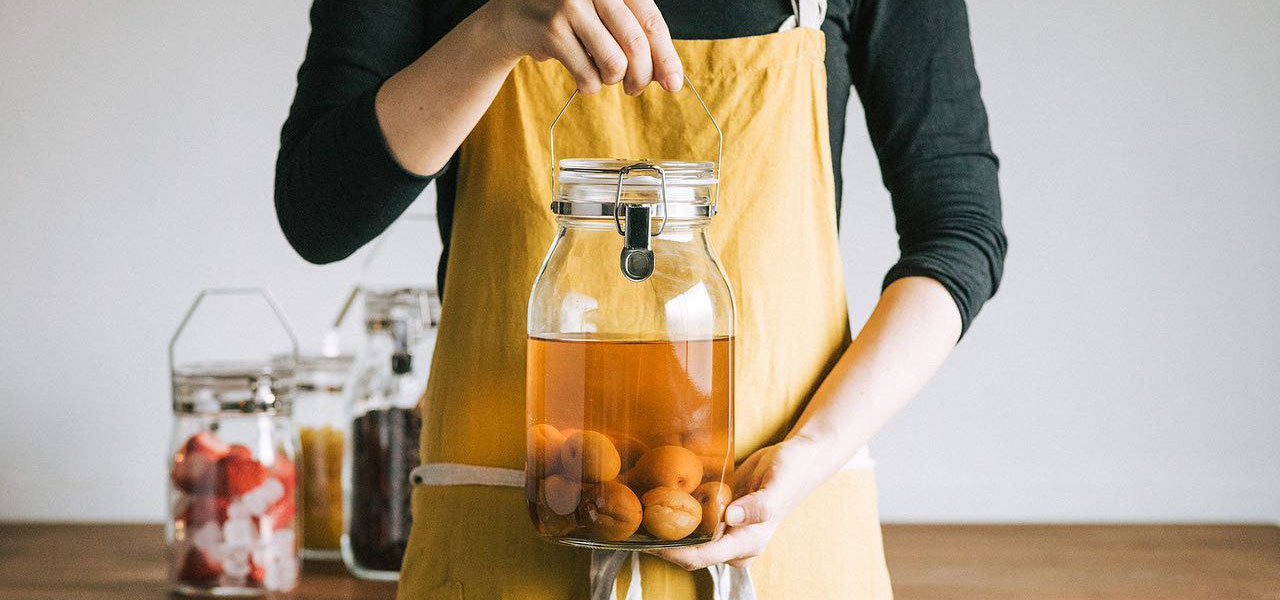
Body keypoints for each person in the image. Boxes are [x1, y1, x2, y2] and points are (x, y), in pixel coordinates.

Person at [276, 0, 1006, 598]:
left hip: (785, 543)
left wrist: (808, 456)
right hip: (500, 556)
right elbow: (319, 214)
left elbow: (960, 232)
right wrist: (494, 32)